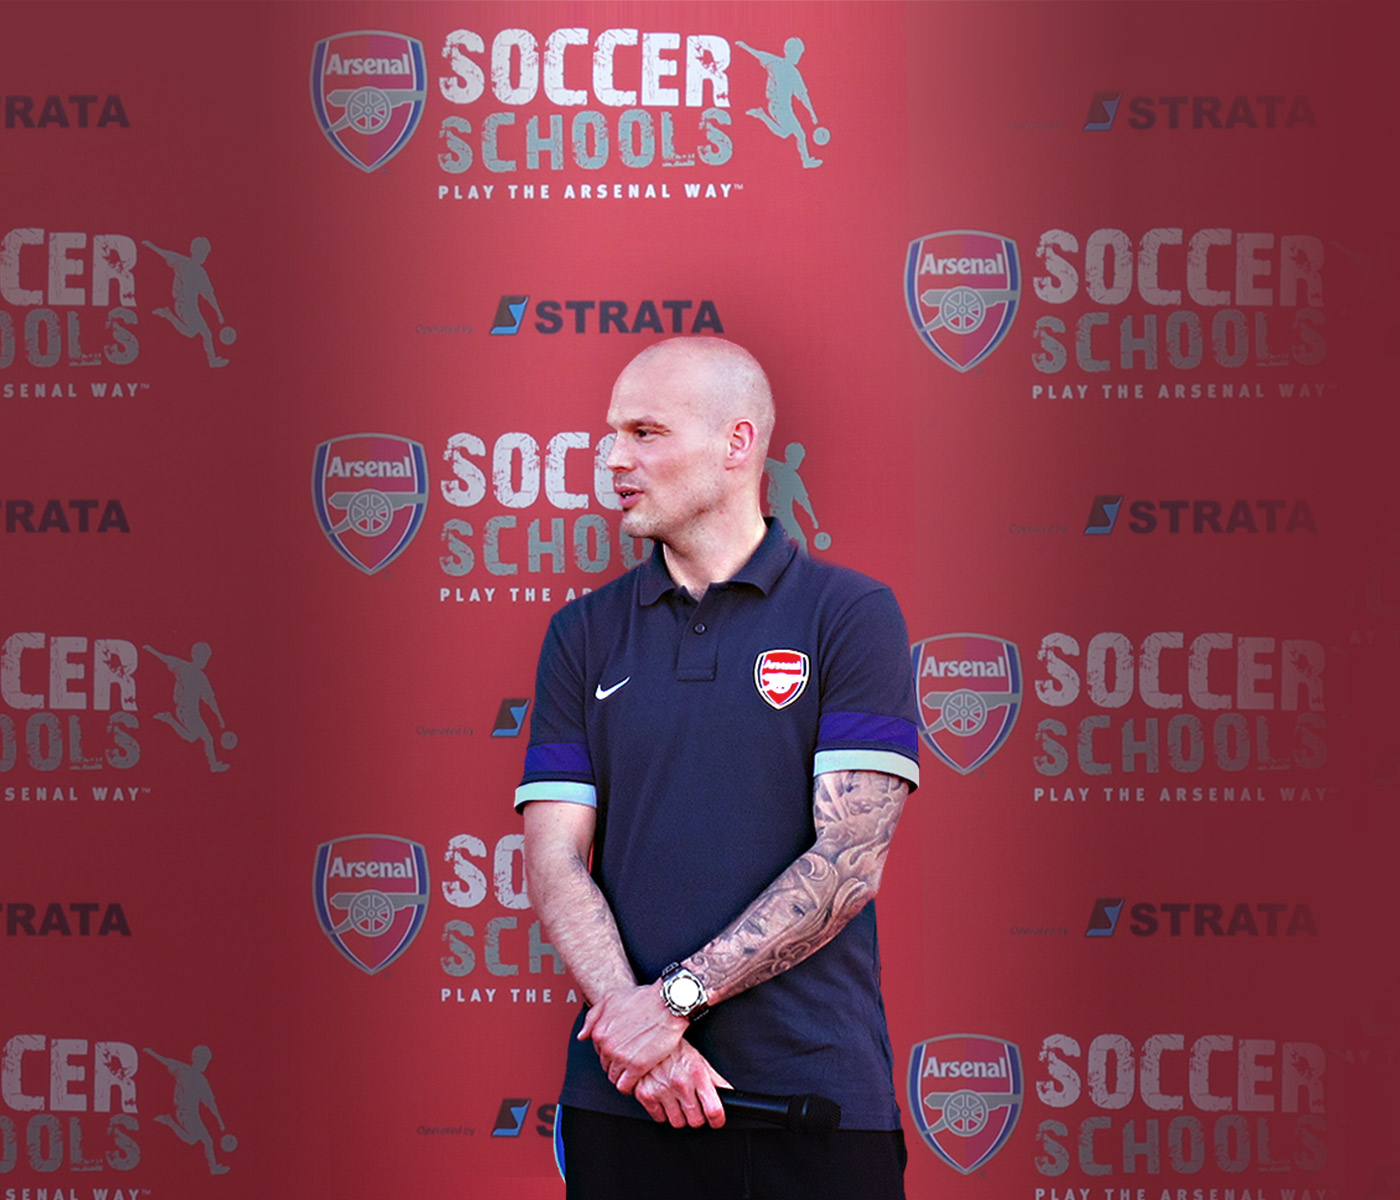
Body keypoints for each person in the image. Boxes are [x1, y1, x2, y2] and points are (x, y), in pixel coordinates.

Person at [517, 337, 920, 1199]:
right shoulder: (581, 634)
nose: (613, 459)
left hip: (812, 1098)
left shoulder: (850, 615)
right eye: (612, 434)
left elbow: (848, 862)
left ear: (739, 444)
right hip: (625, 1100)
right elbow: (554, 862)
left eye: (646, 432)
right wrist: (640, 1041)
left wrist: (670, 1006)